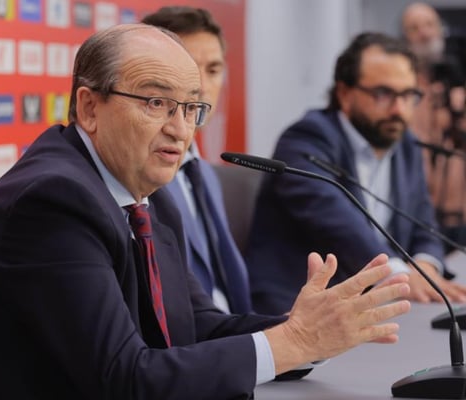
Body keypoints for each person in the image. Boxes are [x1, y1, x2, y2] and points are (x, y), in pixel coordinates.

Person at [0, 24, 411, 399]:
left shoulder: (147, 192)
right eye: (156, 102)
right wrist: (292, 342)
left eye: (191, 108)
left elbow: (193, 324)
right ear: (89, 108)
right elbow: (123, 378)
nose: (181, 129)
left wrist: (308, 332)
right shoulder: (51, 203)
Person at [245, 32, 466, 316]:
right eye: (383, 94)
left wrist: (425, 265)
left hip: (378, 307)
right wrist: (400, 275)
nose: (399, 109)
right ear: (345, 94)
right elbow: (338, 225)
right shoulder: (305, 140)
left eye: (408, 95)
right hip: (296, 313)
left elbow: (423, 224)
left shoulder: (405, 144)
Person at [141, 6, 250, 314]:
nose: (201, 85)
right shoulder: (140, 175)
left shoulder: (203, 173)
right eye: (187, 67)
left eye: (213, 70)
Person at [401, 2, 466, 253]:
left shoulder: (458, 82)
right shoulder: (403, 89)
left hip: (460, 207)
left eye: (429, 25)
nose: (424, 33)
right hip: (418, 211)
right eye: (414, 28)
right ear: (406, 37)